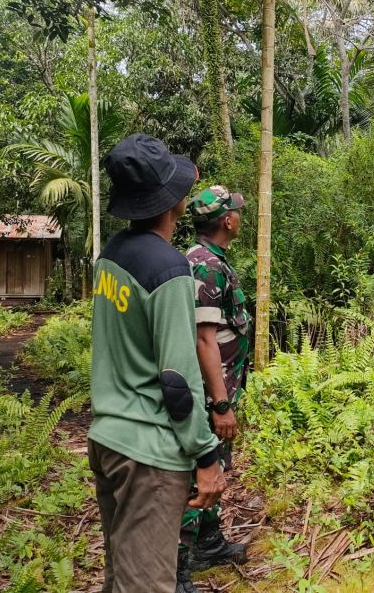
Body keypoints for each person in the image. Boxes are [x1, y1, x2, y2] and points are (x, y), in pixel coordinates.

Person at [88, 133, 226, 593]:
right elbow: (176, 377)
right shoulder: (168, 270)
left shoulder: (111, 255)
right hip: (148, 455)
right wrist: (206, 455)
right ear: (174, 201)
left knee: (120, 574)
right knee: (146, 584)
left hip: (107, 437)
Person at [175, 185, 252, 592]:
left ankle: (209, 543)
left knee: (216, 469)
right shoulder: (204, 266)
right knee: (198, 476)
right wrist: (220, 404)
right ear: (226, 221)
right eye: (236, 212)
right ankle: (177, 572)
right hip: (209, 397)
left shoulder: (210, 260)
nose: (240, 216)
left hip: (219, 391)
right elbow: (204, 340)